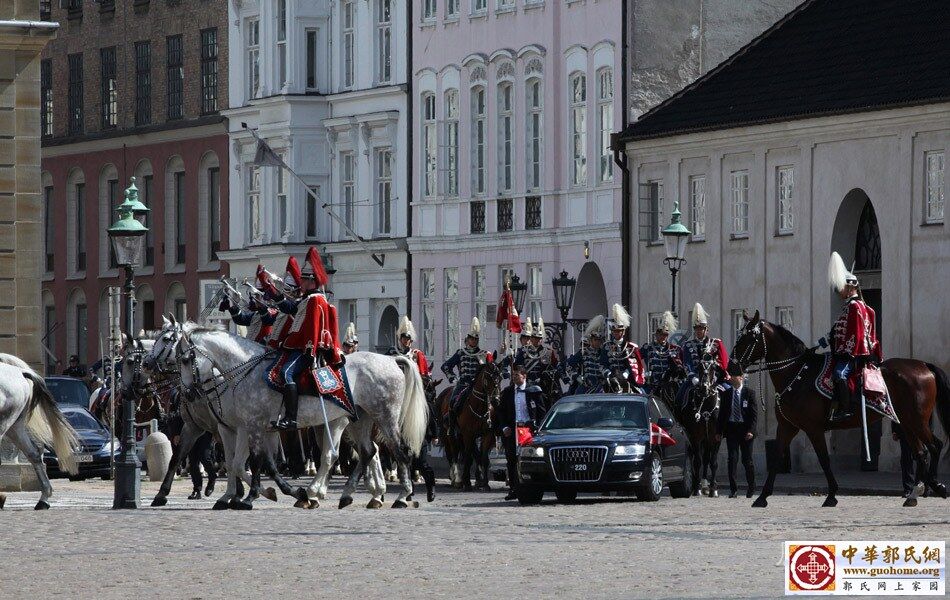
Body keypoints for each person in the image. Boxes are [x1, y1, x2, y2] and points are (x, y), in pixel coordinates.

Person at [273, 247, 340, 431]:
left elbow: (313, 327)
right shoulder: (307, 298)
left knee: (286, 373)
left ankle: (291, 418)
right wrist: (276, 295)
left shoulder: (315, 299)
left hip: (305, 348)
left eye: (302, 279)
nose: (300, 282)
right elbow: (290, 308)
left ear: (310, 280)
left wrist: (310, 350)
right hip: (297, 345)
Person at [826, 251, 881, 423]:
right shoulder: (849, 306)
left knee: (838, 374)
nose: (839, 291)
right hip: (844, 351)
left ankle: (846, 408)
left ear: (850, 288)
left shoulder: (856, 307)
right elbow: (839, 330)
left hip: (854, 354)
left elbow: (856, 334)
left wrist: (847, 351)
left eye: (842, 287)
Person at [387, 315, 436, 502]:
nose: (405, 340)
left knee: (429, 407)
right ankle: (409, 490)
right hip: (398, 397)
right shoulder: (392, 354)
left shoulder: (417, 355)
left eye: (407, 337)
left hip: (414, 395)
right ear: (399, 338)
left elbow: (425, 375)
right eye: (403, 337)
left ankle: (433, 430)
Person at [495, 365, 544, 500]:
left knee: (529, 458)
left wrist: (537, 426)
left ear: (524, 376)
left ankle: (531, 486)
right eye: (513, 375)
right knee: (511, 460)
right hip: (512, 430)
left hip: (528, 430)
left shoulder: (533, 391)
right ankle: (513, 489)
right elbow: (501, 412)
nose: (514, 377)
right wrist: (504, 427)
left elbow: (541, 411)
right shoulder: (508, 391)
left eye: (517, 375)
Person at [676, 303, 729, 408]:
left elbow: (724, 361)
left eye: (701, 328)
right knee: (680, 397)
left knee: (729, 391)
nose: (698, 331)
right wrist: (692, 376)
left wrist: (716, 372)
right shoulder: (687, 345)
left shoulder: (716, 343)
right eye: (696, 328)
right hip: (695, 378)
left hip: (713, 379)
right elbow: (686, 362)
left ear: (706, 329)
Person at [716, 363, 757, 498]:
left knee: (747, 460)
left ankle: (751, 487)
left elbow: (753, 415)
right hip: (732, 429)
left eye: (735, 376)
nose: (732, 379)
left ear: (741, 378)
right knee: (732, 459)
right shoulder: (726, 394)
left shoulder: (749, 393)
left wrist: (751, 430)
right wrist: (719, 432)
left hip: (745, 431)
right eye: (731, 376)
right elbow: (722, 414)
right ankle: (733, 489)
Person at [441, 318, 489, 430]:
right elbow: (445, 366)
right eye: (472, 339)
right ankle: (452, 425)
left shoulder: (483, 354)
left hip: (478, 386)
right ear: (467, 340)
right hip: (463, 384)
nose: (474, 341)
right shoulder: (460, 353)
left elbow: (489, 370)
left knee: (492, 404)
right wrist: (452, 378)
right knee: (453, 402)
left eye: (476, 339)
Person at [605, 304, 645, 392]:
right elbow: (602, 364)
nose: (616, 333)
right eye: (615, 331)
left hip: (626, 378)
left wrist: (626, 373)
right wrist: (609, 373)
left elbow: (635, 364)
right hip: (611, 379)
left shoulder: (630, 347)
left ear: (623, 332)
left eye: (619, 331)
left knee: (642, 393)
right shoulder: (606, 346)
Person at [566, 315, 610, 394]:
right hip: (586, 385)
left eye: (599, 340)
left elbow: (608, 366)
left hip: (601, 386)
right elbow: (568, 365)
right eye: (595, 340)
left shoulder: (604, 353)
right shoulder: (583, 353)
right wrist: (577, 377)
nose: (597, 342)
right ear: (591, 340)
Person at [641, 311, 683, 392]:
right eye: (661, 334)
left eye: (665, 335)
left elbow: (682, 365)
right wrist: (643, 373)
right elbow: (636, 360)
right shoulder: (648, 348)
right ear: (656, 334)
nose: (663, 337)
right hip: (652, 383)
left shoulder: (675, 349)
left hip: (669, 382)